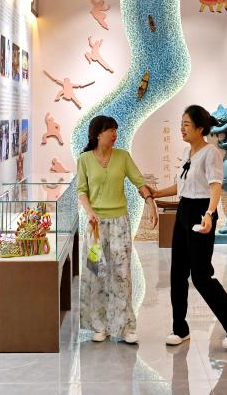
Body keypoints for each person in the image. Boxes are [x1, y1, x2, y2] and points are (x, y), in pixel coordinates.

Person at [150, 105, 227, 349]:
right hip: (184, 210)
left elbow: (215, 185)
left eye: (186, 124)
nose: (182, 128)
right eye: (181, 124)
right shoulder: (187, 152)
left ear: (199, 128)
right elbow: (181, 186)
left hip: (200, 212)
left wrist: (209, 213)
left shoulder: (211, 153)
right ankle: (180, 329)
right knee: (177, 273)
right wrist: (156, 193)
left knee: (201, 276)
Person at [77, 115, 158, 344]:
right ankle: (99, 325)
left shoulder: (122, 157)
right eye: (110, 130)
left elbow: (139, 182)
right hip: (95, 226)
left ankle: (125, 327)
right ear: (97, 134)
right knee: (96, 273)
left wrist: (150, 203)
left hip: (119, 224)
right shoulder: (84, 159)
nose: (115, 134)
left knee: (122, 274)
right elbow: (81, 190)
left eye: (115, 129)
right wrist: (89, 211)